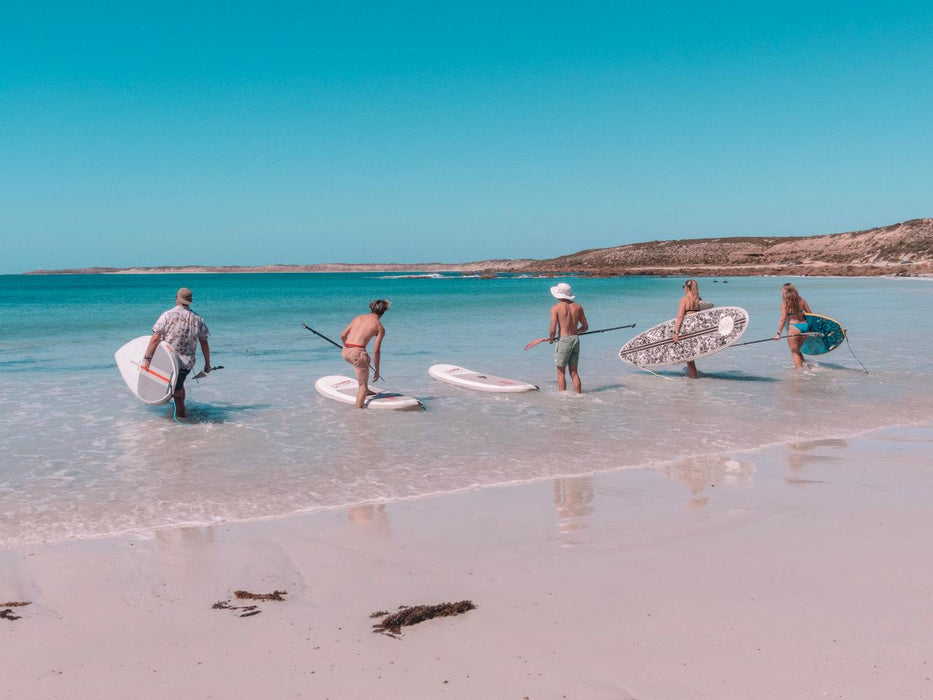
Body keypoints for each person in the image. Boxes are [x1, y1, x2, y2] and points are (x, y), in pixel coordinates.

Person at [141, 287, 211, 418]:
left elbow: (155, 338)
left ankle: (181, 420)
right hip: (187, 364)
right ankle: (180, 411)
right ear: (190, 301)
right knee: (178, 386)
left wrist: (147, 359)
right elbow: (204, 343)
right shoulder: (198, 319)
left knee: (176, 394)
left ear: (176, 299)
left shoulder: (167, 315)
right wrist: (207, 364)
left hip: (169, 361)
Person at [340, 299, 390, 408]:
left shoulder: (358, 318)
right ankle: (358, 414)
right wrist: (377, 370)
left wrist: (347, 347)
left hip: (345, 351)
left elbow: (343, 335)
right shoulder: (379, 327)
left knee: (365, 359)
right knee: (361, 384)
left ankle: (367, 390)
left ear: (371, 308)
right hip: (357, 354)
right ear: (384, 311)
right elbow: (376, 350)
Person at [548, 283, 589, 393]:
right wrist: (575, 331)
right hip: (575, 339)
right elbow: (585, 327)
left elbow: (553, 330)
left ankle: (563, 398)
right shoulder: (578, 307)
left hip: (564, 341)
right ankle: (579, 395)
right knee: (574, 371)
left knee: (561, 371)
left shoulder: (555, 308)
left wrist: (551, 338)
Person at [774, 282, 813, 368]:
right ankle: (807, 368)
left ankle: (799, 374)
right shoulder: (802, 300)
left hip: (794, 328)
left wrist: (778, 333)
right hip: (805, 327)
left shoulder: (785, 303)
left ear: (785, 293)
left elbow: (783, 319)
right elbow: (810, 314)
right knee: (797, 350)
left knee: (794, 351)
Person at [672, 279, 701, 379]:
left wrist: (676, 332)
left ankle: (694, 379)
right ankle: (694, 378)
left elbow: (680, 316)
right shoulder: (698, 299)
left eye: (683, 287)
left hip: (687, 329)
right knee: (690, 356)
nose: (683, 289)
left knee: (688, 356)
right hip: (696, 328)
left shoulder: (684, 299)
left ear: (687, 288)